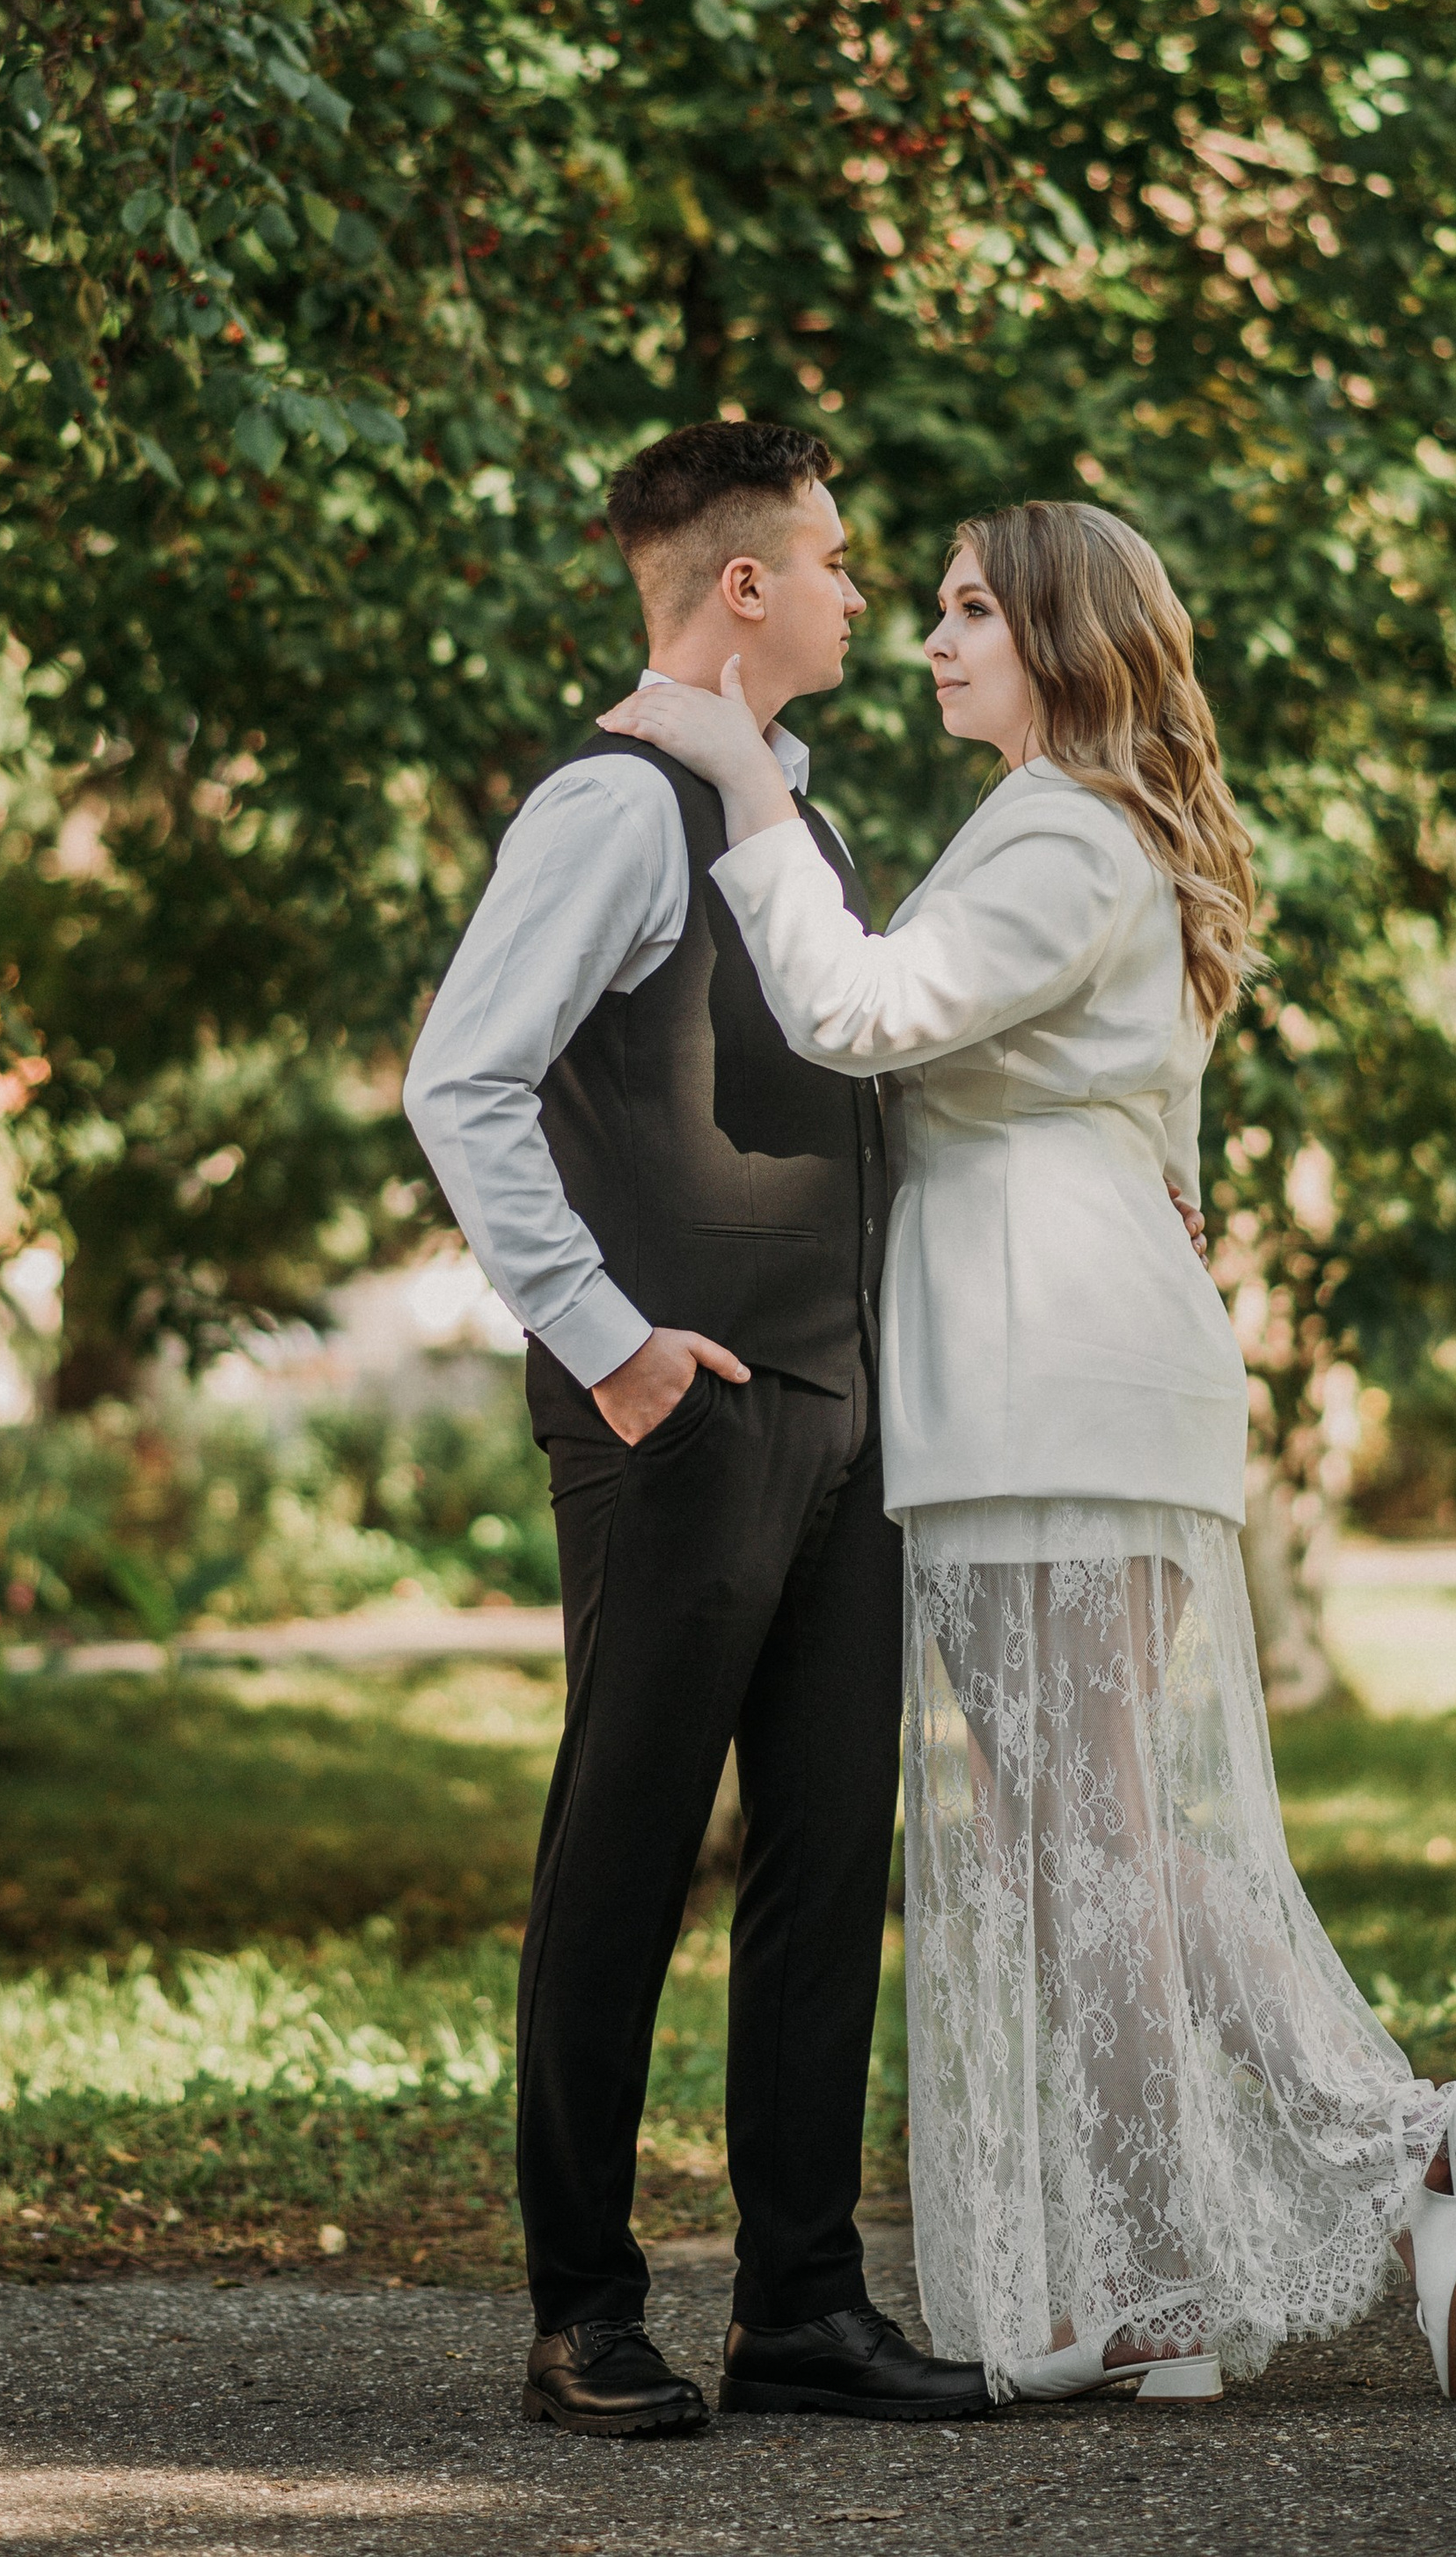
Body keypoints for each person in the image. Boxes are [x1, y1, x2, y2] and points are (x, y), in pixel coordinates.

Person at [599, 498, 1456, 2409]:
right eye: (931, 606)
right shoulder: (1090, 826)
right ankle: (1165, 2284)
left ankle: (1387, 2138)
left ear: (1064, 642)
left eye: (970, 613)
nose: (931, 639)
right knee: (1080, 1828)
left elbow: (860, 1012)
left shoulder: (1060, 829)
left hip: (1041, 1365)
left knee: (1086, 1827)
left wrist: (739, 776)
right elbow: (1154, 1125)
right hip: (1076, 1352)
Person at [405, 421, 991, 2438]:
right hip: (674, 1418)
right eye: (832, 559)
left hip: (841, 1419)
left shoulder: (785, 814)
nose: (858, 592)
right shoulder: (607, 808)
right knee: (626, 1847)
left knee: (825, 1860)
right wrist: (607, 1342)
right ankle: (581, 2306)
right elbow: (459, 1083)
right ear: (742, 586)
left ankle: (801, 2304)